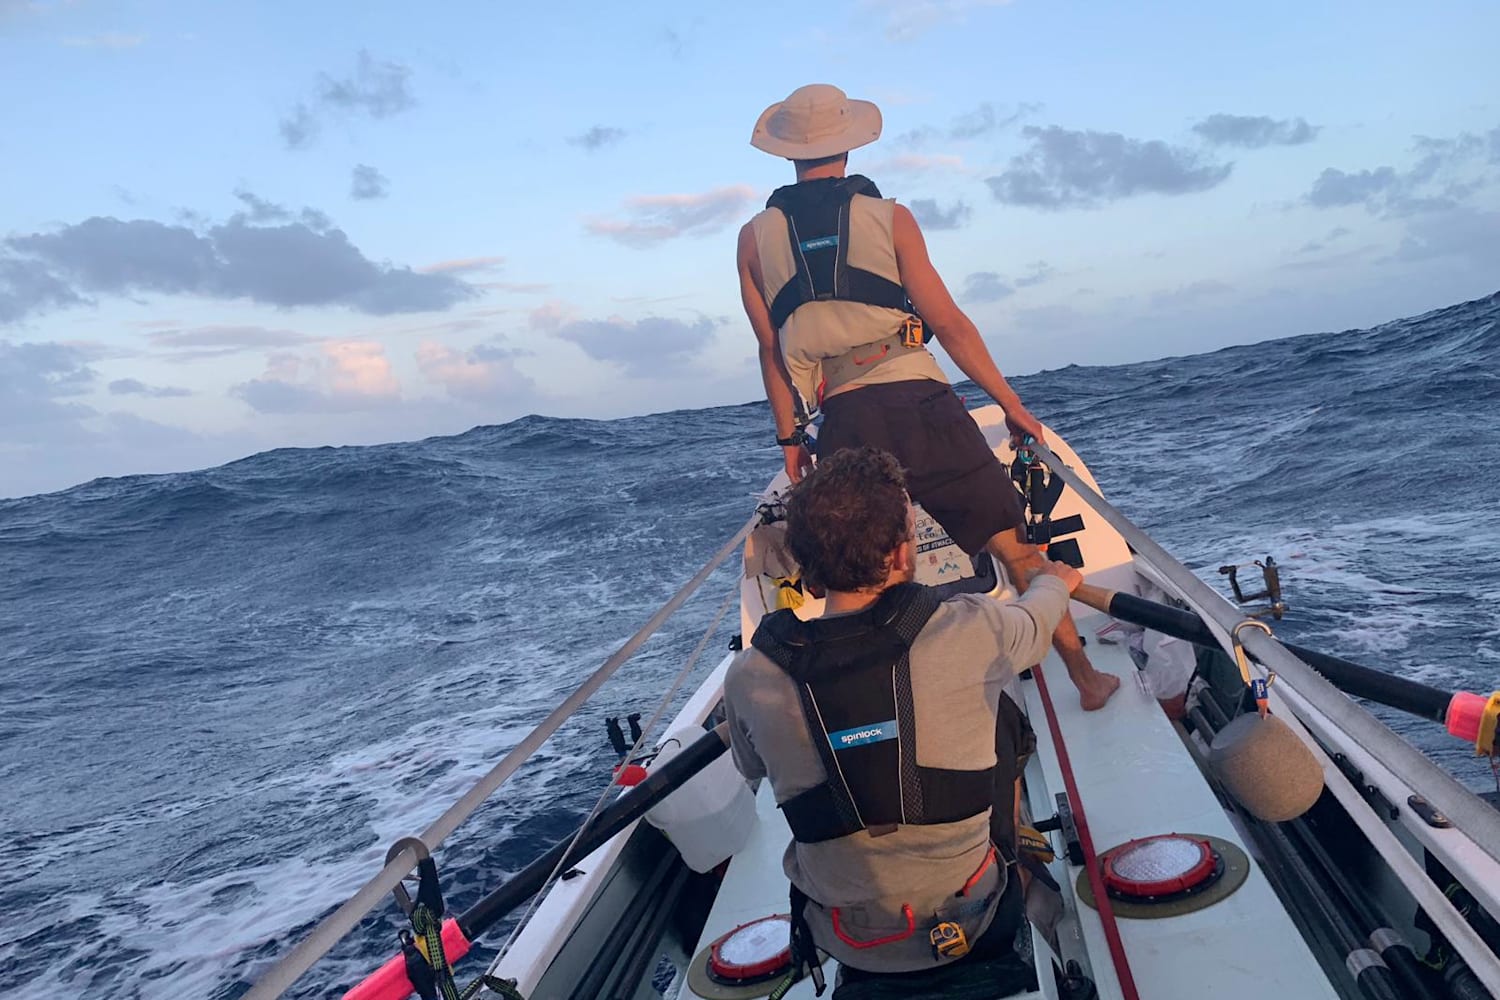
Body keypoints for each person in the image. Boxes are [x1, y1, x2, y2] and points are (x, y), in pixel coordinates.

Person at [736, 83, 1119, 711]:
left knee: (868, 580)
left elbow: (770, 351)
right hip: (922, 402)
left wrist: (790, 442)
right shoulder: (891, 218)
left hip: (845, 419)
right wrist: (1011, 403)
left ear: (786, 154)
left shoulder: (753, 240)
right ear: (849, 143)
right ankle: (1086, 680)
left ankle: (904, 716)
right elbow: (952, 324)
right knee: (1017, 550)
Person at [723, 447, 1083, 997]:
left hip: (847, 937)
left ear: (805, 562)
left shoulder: (751, 673)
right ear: (900, 553)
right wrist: (1056, 580)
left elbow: (752, 766)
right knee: (1001, 719)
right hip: (975, 918)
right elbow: (1036, 621)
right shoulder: (971, 628)